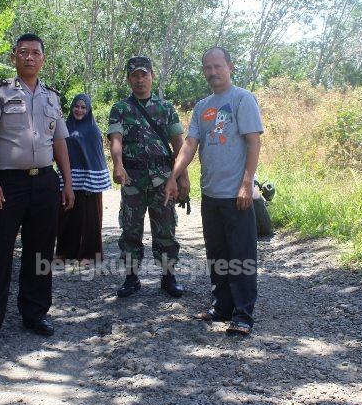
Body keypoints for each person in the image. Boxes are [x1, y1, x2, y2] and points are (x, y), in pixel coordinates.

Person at [0, 33, 75, 351]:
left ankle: (35, 313)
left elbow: (59, 142)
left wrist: (66, 181)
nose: (30, 57)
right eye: (24, 52)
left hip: (44, 181)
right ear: (14, 56)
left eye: (36, 53)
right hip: (7, 183)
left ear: (43, 59)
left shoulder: (52, 97)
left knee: (41, 251)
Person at [164, 47, 263, 336]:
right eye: (207, 67)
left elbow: (254, 143)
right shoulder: (202, 106)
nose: (212, 72)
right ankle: (222, 306)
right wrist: (174, 175)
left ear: (230, 67)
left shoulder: (243, 99)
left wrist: (247, 183)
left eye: (218, 66)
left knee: (241, 254)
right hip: (211, 194)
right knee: (217, 253)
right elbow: (190, 144)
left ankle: (243, 314)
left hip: (237, 194)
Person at [107, 56, 189, 298]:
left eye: (144, 74)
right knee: (130, 229)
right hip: (132, 179)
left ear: (152, 76)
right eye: (134, 75)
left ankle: (168, 276)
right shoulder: (120, 108)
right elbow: (116, 139)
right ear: (129, 79)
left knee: (165, 227)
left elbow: (179, 143)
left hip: (163, 179)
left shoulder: (166, 108)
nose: (140, 79)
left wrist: (183, 176)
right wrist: (118, 165)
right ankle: (131, 278)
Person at [55, 94, 111, 263]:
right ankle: (65, 252)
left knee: (90, 218)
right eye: (76, 106)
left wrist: (93, 180)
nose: (79, 110)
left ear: (88, 110)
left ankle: (89, 254)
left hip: (89, 182)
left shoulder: (93, 130)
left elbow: (96, 157)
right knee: (66, 216)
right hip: (68, 179)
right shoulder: (65, 127)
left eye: (83, 107)